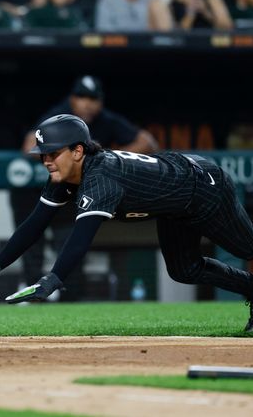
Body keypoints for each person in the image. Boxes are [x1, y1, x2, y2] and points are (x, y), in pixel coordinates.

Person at [0, 114, 253, 331]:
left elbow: (80, 237)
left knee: (252, 245)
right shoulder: (65, 176)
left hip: (202, 186)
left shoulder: (101, 178)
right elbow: (34, 226)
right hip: (174, 202)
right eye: (43, 154)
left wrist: (54, 279)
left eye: (53, 152)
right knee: (183, 268)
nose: (46, 159)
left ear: (78, 150)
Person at [11, 76, 158, 300]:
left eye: (93, 99)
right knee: (33, 245)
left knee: (69, 244)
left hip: (76, 194)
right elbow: (29, 144)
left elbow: (148, 142)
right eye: (82, 97)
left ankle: (69, 300)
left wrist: (104, 159)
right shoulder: (60, 117)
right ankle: (32, 297)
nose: (87, 104)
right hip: (42, 190)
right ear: (72, 99)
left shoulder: (106, 120)